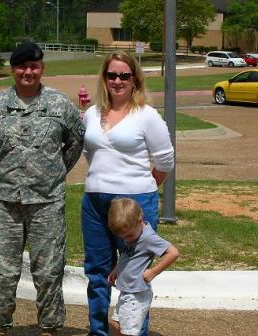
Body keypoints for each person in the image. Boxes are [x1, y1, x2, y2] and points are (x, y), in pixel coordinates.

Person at [0, 41, 85, 336]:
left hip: (47, 203)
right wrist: (1, 172)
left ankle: (50, 328)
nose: (28, 72)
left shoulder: (60, 105)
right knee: (3, 271)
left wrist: (52, 173)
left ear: (42, 68)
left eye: (34, 66)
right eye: (22, 66)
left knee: (48, 271)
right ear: (13, 69)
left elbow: (75, 143)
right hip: (6, 203)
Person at [81, 50, 175, 336]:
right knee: (97, 273)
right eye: (112, 75)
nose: (118, 81)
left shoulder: (146, 115)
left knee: (133, 278)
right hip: (95, 202)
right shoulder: (91, 114)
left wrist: (144, 189)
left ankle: (135, 332)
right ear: (104, 78)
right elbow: (90, 153)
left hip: (135, 203)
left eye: (124, 75)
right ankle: (99, 331)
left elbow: (165, 161)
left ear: (135, 79)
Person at [107, 198, 179, 336]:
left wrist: (153, 271)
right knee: (116, 325)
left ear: (140, 219)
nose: (126, 239)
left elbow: (173, 253)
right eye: (121, 237)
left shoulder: (148, 238)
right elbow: (128, 256)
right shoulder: (134, 234)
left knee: (128, 331)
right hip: (127, 291)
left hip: (136, 294)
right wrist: (116, 270)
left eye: (128, 235)